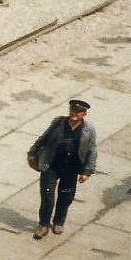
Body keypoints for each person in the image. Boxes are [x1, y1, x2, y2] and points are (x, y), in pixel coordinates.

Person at [26, 99, 97, 239]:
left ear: (84, 114)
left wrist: (87, 171)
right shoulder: (58, 123)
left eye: (78, 112)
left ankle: (59, 221)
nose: (74, 114)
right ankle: (43, 225)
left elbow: (91, 150)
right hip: (51, 165)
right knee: (47, 197)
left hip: (71, 169)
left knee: (65, 196)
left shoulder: (88, 130)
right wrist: (32, 152)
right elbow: (44, 138)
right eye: (72, 110)